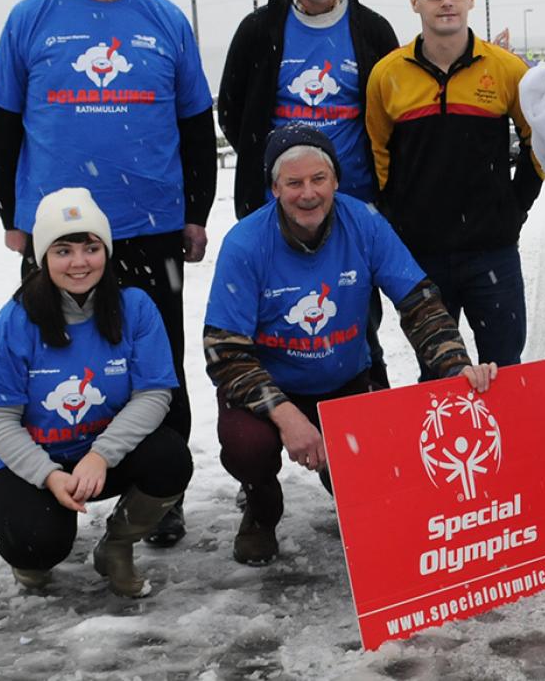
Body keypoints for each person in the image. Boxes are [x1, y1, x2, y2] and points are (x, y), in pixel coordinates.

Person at [0, 0, 216, 547]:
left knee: (156, 365)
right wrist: (12, 213)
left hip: (148, 227)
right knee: (47, 363)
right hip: (57, 235)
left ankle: (158, 495)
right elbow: (4, 123)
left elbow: (196, 123)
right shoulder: (32, 17)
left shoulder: (166, 19)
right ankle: (47, 485)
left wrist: (195, 212)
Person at [204, 124, 498, 565]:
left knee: (381, 497)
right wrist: (287, 417)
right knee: (248, 446)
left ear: (336, 181)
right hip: (272, 392)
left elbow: (418, 302)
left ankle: (353, 489)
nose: (308, 193)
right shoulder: (245, 244)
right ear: (274, 188)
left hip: (346, 381)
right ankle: (262, 506)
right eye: (294, 183)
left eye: (318, 179)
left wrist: (454, 364)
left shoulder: (364, 222)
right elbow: (224, 352)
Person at [0, 188, 193, 597]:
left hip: (96, 453)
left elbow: (154, 394)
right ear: (42, 258)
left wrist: (99, 455)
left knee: (170, 458)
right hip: (22, 460)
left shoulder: (136, 307)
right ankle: (27, 557)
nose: (79, 262)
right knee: (39, 542)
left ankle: (117, 546)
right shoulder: (15, 321)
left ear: (106, 252)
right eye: (63, 250)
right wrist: (48, 475)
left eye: (91, 247)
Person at [217, 0, 401, 389]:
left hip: (355, 215)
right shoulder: (259, 30)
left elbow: (391, 116)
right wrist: (288, 174)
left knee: (356, 329)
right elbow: (234, 115)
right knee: (274, 326)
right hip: (277, 212)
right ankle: (280, 416)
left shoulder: (373, 30)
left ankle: (351, 435)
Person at [364, 0, 544, 368]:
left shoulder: (506, 69)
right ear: (414, 1)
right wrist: (398, 217)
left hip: (493, 252)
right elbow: (377, 153)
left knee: (504, 368)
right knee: (439, 374)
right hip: (422, 256)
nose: (446, 0)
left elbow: (539, 142)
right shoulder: (387, 75)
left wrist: (516, 207)